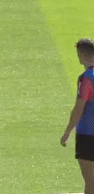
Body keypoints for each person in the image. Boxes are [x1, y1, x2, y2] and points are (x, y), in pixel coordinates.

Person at [62, 38, 94, 194]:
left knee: (90, 182)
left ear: (80, 54)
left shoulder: (86, 78)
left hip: (88, 135)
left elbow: (79, 107)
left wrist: (68, 130)